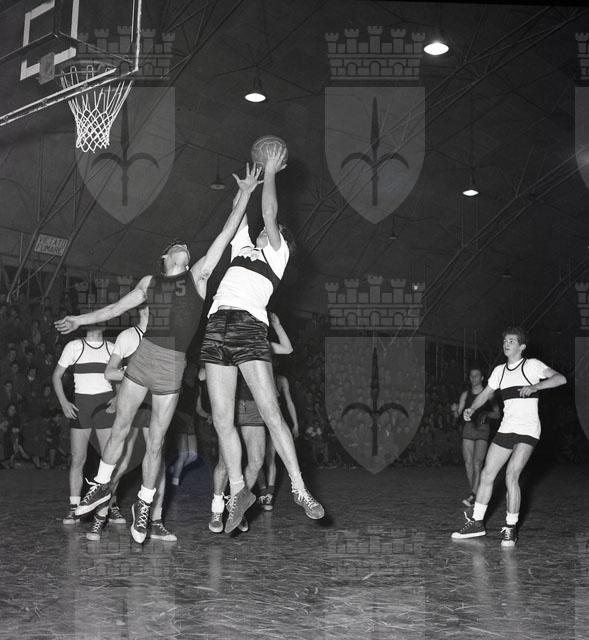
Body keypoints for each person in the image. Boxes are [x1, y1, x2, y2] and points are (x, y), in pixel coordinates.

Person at [54, 163, 263, 543]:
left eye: (185, 247)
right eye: (175, 247)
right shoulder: (150, 282)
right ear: (165, 258)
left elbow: (225, 233)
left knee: (156, 443)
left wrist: (246, 194)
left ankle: (145, 505)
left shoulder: (198, 276)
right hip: (144, 358)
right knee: (121, 427)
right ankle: (100, 485)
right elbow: (114, 309)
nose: (182, 246)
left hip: (171, 367)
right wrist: (78, 319)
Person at [200, 146, 324, 534]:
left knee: (271, 411)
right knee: (222, 419)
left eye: (272, 231)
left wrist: (270, 172)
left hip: (249, 327)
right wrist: (245, 191)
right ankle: (239, 491)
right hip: (216, 325)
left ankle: (300, 489)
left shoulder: (277, 254)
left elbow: (269, 214)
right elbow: (236, 218)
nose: (265, 230)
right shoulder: (243, 248)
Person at [451, 327, 566, 547]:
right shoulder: (499, 371)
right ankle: (476, 523)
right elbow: (486, 394)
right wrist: (472, 409)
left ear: (522, 346)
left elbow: (560, 379)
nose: (506, 344)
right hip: (507, 428)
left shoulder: (532, 365)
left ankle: (510, 528)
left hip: (528, 429)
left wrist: (536, 386)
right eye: (505, 341)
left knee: (512, 475)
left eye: (512, 341)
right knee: (487, 473)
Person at [85, 304, 176, 542]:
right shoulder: (128, 336)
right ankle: (99, 518)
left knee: (158, 461)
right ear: (142, 309)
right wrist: (136, 373)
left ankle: (156, 522)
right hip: (131, 404)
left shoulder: (165, 337)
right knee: (122, 462)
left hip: (155, 403)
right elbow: (109, 372)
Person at [208, 312, 294, 533]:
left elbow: (288, 349)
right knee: (225, 463)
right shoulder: (228, 337)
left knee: (256, 461)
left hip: (256, 405)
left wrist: (277, 324)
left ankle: (235, 506)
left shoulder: (262, 343)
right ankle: (217, 509)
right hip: (234, 404)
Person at [52, 326, 115, 523]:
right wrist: (64, 402)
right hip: (82, 407)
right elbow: (56, 376)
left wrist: (118, 398)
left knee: (109, 460)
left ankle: (110, 507)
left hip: (105, 407)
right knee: (78, 458)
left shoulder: (112, 347)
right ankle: (74, 507)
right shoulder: (74, 346)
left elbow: (121, 377)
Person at [454, 365, 500, 508]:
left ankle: (474, 494)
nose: (473, 378)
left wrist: (486, 413)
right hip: (469, 428)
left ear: (482, 378)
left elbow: (497, 414)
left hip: (482, 428)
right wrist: (454, 410)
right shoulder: (465, 394)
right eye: (471, 375)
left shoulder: (488, 394)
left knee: (477, 463)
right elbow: (458, 415)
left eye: (476, 375)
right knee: (468, 462)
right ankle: (475, 493)